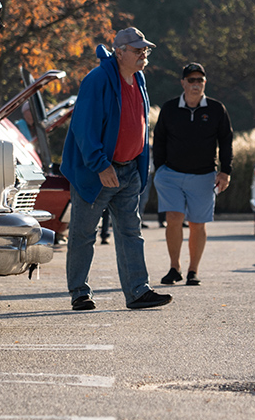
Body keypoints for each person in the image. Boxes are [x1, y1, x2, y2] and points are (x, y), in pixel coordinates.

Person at [61, 27, 172, 311]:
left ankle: (138, 291)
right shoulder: (97, 80)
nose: (143, 54)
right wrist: (101, 165)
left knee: (131, 233)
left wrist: (139, 167)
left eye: (145, 49)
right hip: (97, 173)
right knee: (83, 234)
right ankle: (79, 293)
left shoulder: (139, 78)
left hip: (128, 172)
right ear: (119, 52)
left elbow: (139, 122)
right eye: (137, 50)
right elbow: (84, 128)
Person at [153, 63, 233, 287]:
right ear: (183, 83)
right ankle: (174, 267)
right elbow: (159, 139)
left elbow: (226, 141)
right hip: (171, 174)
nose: (196, 84)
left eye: (200, 80)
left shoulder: (217, 109)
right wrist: (159, 169)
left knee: (197, 223)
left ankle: (193, 270)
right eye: (191, 80)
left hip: (204, 175)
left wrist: (225, 171)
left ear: (205, 83)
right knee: (173, 219)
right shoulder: (169, 109)